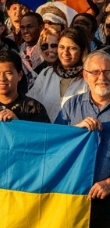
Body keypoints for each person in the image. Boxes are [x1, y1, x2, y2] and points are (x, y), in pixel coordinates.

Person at [54, 50, 110, 225]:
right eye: (95, 72)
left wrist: (109, 183)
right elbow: (55, 144)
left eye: (107, 71)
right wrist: (76, 131)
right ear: (86, 76)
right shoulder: (71, 105)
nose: (102, 77)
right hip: (75, 196)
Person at [27, 27, 90, 123]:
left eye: (72, 48)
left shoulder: (90, 77)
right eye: (62, 47)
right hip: (46, 131)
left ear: (82, 51)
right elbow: (29, 102)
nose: (66, 53)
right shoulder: (46, 74)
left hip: (74, 132)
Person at [18, 12, 45, 85]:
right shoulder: (17, 51)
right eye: (22, 28)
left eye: (30, 27)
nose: (25, 31)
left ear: (41, 27)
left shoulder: (49, 51)